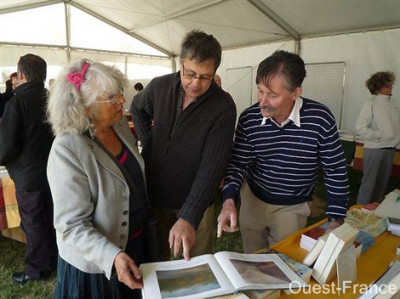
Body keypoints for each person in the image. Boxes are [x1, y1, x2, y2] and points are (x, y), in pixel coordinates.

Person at [217, 50, 349, 253]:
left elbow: (335, 169)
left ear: (296, 93)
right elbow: (237, 164)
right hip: (253, 199)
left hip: (292, 206)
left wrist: (336, 218)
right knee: (252, 259)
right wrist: (228, 201)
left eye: (272, 95)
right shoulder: (249, 118)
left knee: (284, 262)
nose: (262, 101)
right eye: (260, 91)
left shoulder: (320, 118)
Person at [47, 59, 149, 298]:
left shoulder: (119, 124)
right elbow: (71, 226)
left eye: (120, 93)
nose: (122, 101)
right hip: (98, 265)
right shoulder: (67, 149)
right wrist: (111, 256)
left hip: (135, 245)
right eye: (112, 96)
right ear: (87, 106)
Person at [131, 30, 236, 260]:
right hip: (155, 197)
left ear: (215, 71)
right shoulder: (160, 86)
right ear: (180, 63)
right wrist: (148, 141)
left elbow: (212, 167)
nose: (196, 83)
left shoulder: (223, 106)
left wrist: (189, 216)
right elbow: (137, 107)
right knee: (158, 260)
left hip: (195, 203)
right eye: (190, 74)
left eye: (205, 77)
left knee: (195, 265)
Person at [0, 54, 57, 283]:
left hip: (28, 176)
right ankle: (53, 261)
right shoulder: (52, 99)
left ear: (21, 75)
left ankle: (37, 270)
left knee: (33, 223)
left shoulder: (18, 102)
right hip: (53, 171)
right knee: (51, 220)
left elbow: (7, 146)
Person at [355, 71, 400, 205]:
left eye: (392, 84)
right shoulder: (371, 104)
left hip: (390, 148)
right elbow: (361, 128)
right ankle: (360, 210)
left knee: (382, 183)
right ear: (378, 87)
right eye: (388, 85)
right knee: (369, 183)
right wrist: (380, 135)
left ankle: (374, 211)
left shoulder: (394, 103)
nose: (391, 87)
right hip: (374, 149)